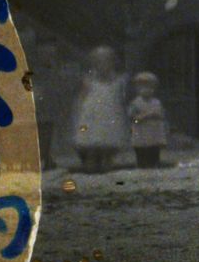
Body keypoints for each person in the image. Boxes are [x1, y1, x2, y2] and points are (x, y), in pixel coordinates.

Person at [70, 44, 129, 173]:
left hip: (109, 115)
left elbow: (121, 99)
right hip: (92, 116)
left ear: (113, 62)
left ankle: (107, 163)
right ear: (94, 64)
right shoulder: (89, 80)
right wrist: (79, 114)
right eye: (99, 62)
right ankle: (91, 164)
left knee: (108, 143)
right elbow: (81, 98)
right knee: (91, 143)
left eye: (107, 61)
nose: (103, 65)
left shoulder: (118, 81)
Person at [127, 71, 168, 169]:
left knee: (154, 149)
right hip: (141, 131)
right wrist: (142, 117)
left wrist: (158, 116)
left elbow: (162, 114)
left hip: (154, 131)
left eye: (151, 88)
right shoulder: (136, 103)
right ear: (137, 89)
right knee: (142, 150)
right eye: (144, 87)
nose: (148, 90)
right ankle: (142, 164)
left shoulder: (156, 102)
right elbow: (132, 118)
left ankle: (155, 163)